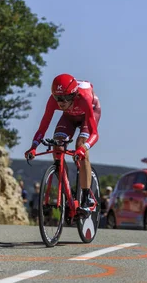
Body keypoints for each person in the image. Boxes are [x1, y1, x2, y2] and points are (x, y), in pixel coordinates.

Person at [25, 73, 101, 216]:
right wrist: (33, 147)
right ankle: (67, 190)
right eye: (57, 98)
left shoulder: (84, 98)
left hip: (88, 114)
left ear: (73, 95)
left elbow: (94, 134)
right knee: (57, 146)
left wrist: (84, 148)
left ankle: (87, 196)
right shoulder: (54, 101)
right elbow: (43, 127)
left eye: (64, 98)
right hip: (69, 117)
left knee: (80, 145)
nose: (60, 103)